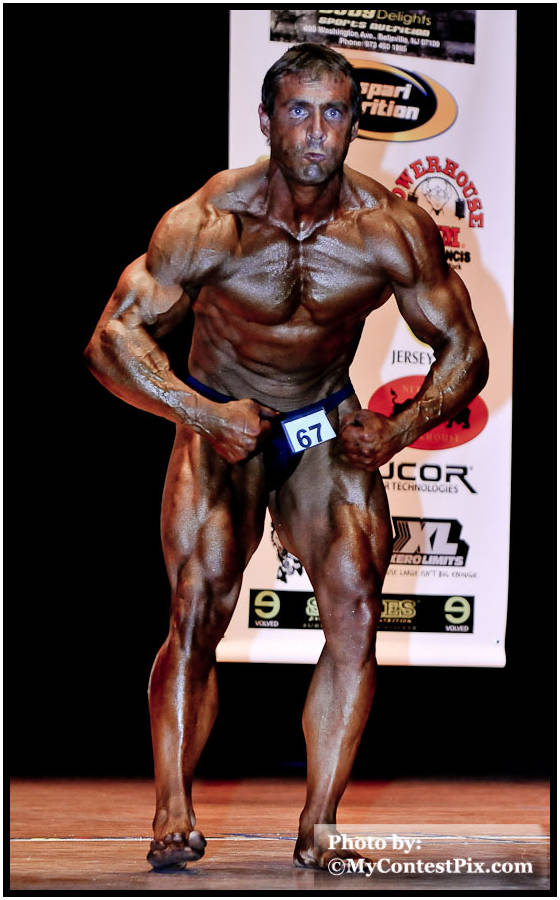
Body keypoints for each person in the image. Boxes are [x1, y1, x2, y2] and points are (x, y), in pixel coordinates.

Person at [84, 43, 488, 871]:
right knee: (198, 606)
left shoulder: (392, 229)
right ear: (266, 120)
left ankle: (321, 825)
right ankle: (172, 810)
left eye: (333, 112)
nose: (315, 131)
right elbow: (109, 342)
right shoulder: (206, 223)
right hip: (220, 420)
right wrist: (200, 412)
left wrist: (400, 428)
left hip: (319, 423)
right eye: (298, 111)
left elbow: (464, 350)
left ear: (354, 124)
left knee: (357, 608)